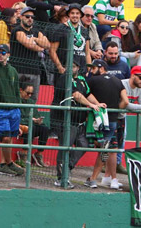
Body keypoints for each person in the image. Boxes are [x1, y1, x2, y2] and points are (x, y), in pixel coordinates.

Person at [51, 60, 103, 188]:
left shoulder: (81, 79)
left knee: (85, 144)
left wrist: (97, 104)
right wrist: (91, 105)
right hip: (64, 120)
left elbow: (87, 93)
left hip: (79, 121)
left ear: (78, 68)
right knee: (65, 148)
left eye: (73, 66)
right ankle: (61, 178)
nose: (70, 68)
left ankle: (67, 167)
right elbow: (76, 95)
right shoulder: (64, 78)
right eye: (68, 65)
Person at [85, 59, 129, 190]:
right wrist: (113, 111)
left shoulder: (92, 81)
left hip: (96, 119)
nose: (91, 71)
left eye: (93, 68)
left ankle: (90, 178)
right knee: (106, 148)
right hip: (113, 120)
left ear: (102, 68)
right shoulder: (118, 81)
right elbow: (125, 101)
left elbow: (85, 94)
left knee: (90, 146)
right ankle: (98, 178)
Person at [0, 44, 25, 176]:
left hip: (14, 109)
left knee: (11, 137)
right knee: (6, 138)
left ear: (8, 54)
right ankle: (9, 163)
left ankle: (4, 164)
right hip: (1, 109)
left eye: (3, 52)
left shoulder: (13, 70)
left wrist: (18, 106)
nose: (0, 55)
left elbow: (16, 90)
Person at [111, 66, 141, 177]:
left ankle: (118, 164)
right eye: (140, 77)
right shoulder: (121, 84)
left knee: (122, 139)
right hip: (112, 116)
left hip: (122, 117)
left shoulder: (140, 87)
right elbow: (125, 104)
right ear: (133, 75)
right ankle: (107, 165)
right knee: (110, 142)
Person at [9, 7, 50, 104]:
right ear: (21, 17)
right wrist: (40, 47)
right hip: (18, 70)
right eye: (27, 16)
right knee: (15, 98)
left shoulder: (36, 31)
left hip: (34, 70)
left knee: (32, 99)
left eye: (32, 17)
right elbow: (28, 44)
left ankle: (31, 118)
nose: (30, 19)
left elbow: (47, 44)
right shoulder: (17, 30)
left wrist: (35, 40)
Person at [50, 3, 91, 87]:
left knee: (79, 96)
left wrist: (88, 69)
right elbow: (52, 50)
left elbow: (87, 53)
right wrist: (60, 67)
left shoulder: (84, 30)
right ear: (68, 14)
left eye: (77, 13)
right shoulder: (60, 28)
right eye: (72, 13)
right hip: (65, 70)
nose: (75, 16)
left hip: (80, 71)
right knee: (61, 96)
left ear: (80, 15)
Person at [16, 76, 49, 167]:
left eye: (31, 93)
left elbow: (36, 115)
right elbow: (17, 117)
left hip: (30, 124)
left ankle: (39, 153)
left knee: (45, 128)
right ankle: (24, 153)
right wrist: (31, 120)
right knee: (30, 127)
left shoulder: (30, 102)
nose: (30, 95)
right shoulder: (16, 101)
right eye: (28, 93)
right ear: (21, 90)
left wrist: (38, 121)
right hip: (20, 126)